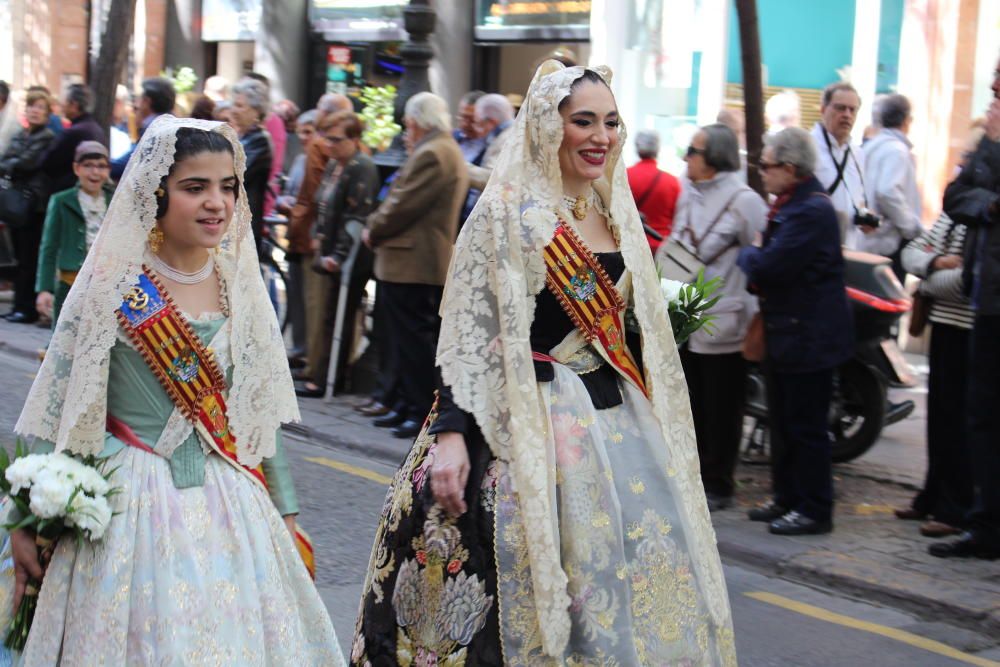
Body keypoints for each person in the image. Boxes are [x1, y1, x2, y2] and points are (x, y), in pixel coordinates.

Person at [353, 63, 735, 664]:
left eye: (610, 122)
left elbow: (623, 328)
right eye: (582, 121)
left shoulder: (611, 211)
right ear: (544, 126)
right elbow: (468, 329)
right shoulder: (507, 210)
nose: (599, 136)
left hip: (613, 422)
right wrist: (452, 434)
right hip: (519, 423)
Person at [5, 117, 344, 664]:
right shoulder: (113, 282)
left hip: (231, 501)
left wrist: (286, 513)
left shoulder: (242, 284)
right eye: (195, 187)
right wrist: (26, 516)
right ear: (155, 194)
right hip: (127, 506)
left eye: (228, 187)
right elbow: (61, 406)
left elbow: (256, 415)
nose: (217, 203)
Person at [738, 127, 854, 536]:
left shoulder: (809, 211)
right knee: (784, 421)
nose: (762, 173)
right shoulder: (790, 204)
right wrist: (759, 254)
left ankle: (814, 509)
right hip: (788, 332)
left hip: (809, 337)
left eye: (766, 166)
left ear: (789, 168)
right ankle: (786, 497)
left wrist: (750, 251)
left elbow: (770, 266)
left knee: (806, 427)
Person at [670, 123, 767, 511]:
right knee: (690, 402)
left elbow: (758, 259)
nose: (685, 158)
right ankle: (694, 476)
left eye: (692, 151)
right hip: (686, 314)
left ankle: (720, 482)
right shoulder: (688, 194)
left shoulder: (744, 200)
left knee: (723, 407)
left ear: (714, 158)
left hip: (725, 319)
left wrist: (753, 316)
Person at [361, 92, 469, 439]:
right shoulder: (438, 149)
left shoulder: (434, 153)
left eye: (408, 122)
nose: (405, 128)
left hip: (415, 263)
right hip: (410, 262)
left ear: (417, 121)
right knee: (404, 342)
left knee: (414, 344)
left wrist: (374, 229)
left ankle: (419, 410)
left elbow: (401, 204)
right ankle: (407, 406)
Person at [931, 60, 1000, 561]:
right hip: (988, 301)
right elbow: (956, 196)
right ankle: (986, 524)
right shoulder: (987, 145)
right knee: (982, 417)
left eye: (998, 91)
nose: (991, 100)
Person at [898, 211, 973, 537]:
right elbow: (911, 251)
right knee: (940, 418)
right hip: (943, 324)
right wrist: (937, 263)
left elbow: (968, 281)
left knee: (961, 423)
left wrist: (927, 275)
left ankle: (955, 507)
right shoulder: (954, 215)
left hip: (972, 329)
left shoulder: (983, 218)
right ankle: (931, 495)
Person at [295, 111, 380, 398]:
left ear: (354, 139)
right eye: (327, 138)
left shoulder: (361, 167)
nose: (329, 145)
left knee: (339, 316)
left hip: (350, 256)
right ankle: (323, 375)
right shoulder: (336, 164)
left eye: (335, 139)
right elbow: (324, 206)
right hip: (330, 248)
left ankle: (329, 379)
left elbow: (357, 215)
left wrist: (339, 254)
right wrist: (320, 238)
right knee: (329, 315)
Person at [287, 93, 352, 374]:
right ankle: (324, 366)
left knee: (315, 304)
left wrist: (307, 229)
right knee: (324, 307)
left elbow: (314, 195)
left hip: (317, 237)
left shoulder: (320, 147)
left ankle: (315, 369)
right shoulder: (350, 150)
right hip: (330, 237)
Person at [35, 141, 113, 327]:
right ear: (76, 169)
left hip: (105, 286)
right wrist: (44, 289)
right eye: (88, 166)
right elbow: (49, 247)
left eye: (101, 166)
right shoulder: (62, 200)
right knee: (64, 338)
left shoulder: (115, 201)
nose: (95, 172)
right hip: (70, 284)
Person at [0, 88, 55, 324]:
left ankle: (27, 308)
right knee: (20, 258)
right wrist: (13, 164)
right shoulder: (22, 134)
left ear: (47, 113)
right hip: (17, 203)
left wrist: (13, 164)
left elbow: (26, 163)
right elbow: (7, 161)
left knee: (29, 258)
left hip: (33, 205)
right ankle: (19, 306)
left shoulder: (46, 137)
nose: (34, 110)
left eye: (40, 107)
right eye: (32, 106)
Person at [861, 93, 923, 279]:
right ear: (906, 120)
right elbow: (888, 191)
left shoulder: (871, 146)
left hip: (870, 241)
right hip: (887, 244)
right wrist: (910, 226)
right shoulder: (897, 150)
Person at [811, 82, 869, 248]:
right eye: (840, 108)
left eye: (852, 110)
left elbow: (859, 199)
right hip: (814, 242)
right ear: (823, 109)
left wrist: (864, 216)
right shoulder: (808, 147)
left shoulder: (858, 154)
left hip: (848, 244)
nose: (847, 115)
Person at [229, 77, 273, 254]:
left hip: (244, 224)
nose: (234, 110)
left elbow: (236, 173)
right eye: (234, 104)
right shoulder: (242, 137)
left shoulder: (259, 140)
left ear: (256, 111)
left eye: (240, 106)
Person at [41, 84, 107, 193]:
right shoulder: (96, 129)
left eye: (64, 102)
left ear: (74, 105)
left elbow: (47, 163)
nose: (62, 106)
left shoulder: (73, 133)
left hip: (68, 193)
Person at [111, 77, 176, 180]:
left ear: (146, 101)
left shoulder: (155, 128)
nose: (135, 105)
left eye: (138, 99)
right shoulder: (169, 122)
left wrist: (104, 167)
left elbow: (129, 163)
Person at [626, 128, 680, 252]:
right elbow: (677, 218)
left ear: (637, 147)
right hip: (660, 247)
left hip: (630, 245)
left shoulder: (622, 177)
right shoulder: (672, 182)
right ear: (658, 149)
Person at [465, 93, 515, 190]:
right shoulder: (510, 133)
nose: (477, 129)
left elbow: (491, 180)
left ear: (491, 122)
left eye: (479, 123)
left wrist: (461, 166)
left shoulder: (505, 140)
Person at [453, 89, 486, 163]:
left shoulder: (494, 145)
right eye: (462, 117)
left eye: (472, 119)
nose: (465, 124)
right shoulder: (452, 137)